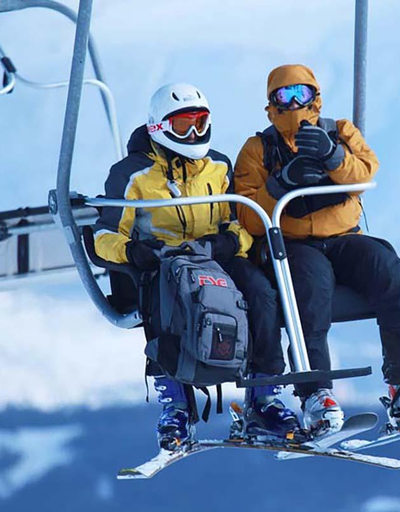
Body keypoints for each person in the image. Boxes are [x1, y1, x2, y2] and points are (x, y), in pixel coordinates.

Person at [233, 64, 400, 436]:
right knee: (311, 292)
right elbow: (248, 216)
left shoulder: (340, 131)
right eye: (285, 96)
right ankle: (316, 393)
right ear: (271, 103)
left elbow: (365, 172)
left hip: (344, 236)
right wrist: (281, 183)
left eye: (302, 93)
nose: (295, 103)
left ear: (316, 95)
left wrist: (334, 157)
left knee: (389, 271)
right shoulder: (258, 149)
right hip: (295, 243)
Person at [93, 83, 299, 450]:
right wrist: (133, 251)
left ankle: (265, 397)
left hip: (215, 257)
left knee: (262, 294)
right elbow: (104, 234)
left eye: (200, 123)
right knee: (167, 304)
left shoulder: (217, 166)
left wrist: (232, 241)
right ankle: (176, 404)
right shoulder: (132, 175)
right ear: (159, 128)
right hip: (164, 262)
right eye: (183, 125)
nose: (193, 134)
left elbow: (241, 219)